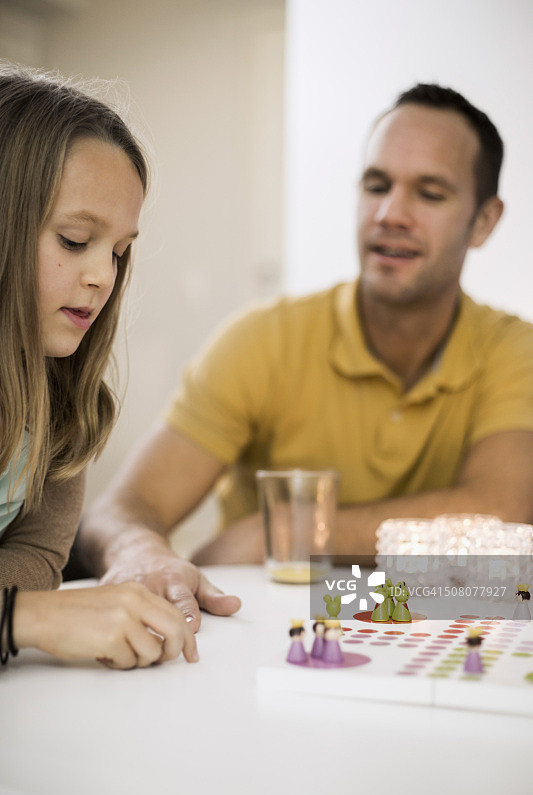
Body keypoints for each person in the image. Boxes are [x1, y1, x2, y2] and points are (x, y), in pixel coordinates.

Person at [79, 83, 533, 629]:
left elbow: (501, 517)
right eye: (376, 185)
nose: (390, 213)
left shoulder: (515, 351)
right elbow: (118, 511)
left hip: (436, 638)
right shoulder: (263, 339)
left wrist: (283, 536)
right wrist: (140, 552)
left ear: (484, 221)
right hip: (265, 640)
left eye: (430, 194)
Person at [0, 62, 200, 670]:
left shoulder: (58, 395)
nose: (102, 277)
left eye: (117, 251)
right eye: (73, 240)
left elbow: (38, 554)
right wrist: (24, 618)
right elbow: (28, 599)